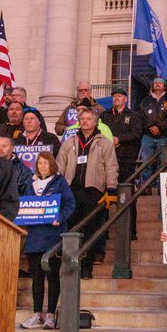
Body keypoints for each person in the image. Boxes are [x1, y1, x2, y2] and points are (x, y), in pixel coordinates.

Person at [56, 106, 118, 279]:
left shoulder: (104, 142)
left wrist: (111, 188)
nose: (84, 122)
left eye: (88, 119)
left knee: (92, 229)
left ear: (96, 121)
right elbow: (59, 165)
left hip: (94, 190)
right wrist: (56, 187)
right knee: (70, 228)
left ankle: (86, 267)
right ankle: (70, 265)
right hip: (71, 190)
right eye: (82, 119)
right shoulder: (69, 142)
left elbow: (111, 167)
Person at [19, 152, 75, 331]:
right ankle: (37, 314)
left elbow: (70, 204)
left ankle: (51, 314)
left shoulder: (60, 182)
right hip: (34, 237)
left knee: (52, 277)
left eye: (46, 163)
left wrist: (60, 217)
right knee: (36, 278)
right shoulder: (30, 184)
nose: (42, 166)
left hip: (53, 237)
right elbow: (24, 206)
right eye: (40, 163)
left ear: (52, 165)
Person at [102, 87, 143, 184]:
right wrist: (109, 141)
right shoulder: (104, 115)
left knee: (126, 184)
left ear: (126, 99)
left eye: (119, 96)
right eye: (114, 96)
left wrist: (118, 139)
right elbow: (99, 131)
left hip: (127, 156)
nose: (116, 98)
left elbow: (136, 133)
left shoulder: (134, 115)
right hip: (108, 154)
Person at [139, 77, 167, 162]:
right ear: (152, 86)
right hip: (148, 136)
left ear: (164, 86)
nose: (157, 84)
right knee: (146, 163)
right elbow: (141, 117)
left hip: (164, 136)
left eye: (160, 82)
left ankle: (159, 176)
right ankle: (147, 176)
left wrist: (159, 128)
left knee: (162, 163)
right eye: (155, 83)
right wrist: (151, 127)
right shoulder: (145, 101)